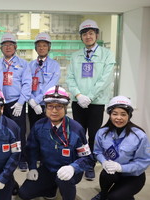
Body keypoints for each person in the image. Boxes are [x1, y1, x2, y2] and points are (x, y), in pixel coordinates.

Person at [18, 85, 94, 200]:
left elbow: (88, 159)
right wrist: (32, 167)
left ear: (65, 108)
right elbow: (31, 149)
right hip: (48, 168)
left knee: (64, 180)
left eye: (59, 106)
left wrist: (73, 168)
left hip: (70, 171)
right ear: (45, 108)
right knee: (24, 193)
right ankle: (51, 190)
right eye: (50, 106)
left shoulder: (76, 129)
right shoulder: (39, 126)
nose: (54, 111)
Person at [66, 19, 116, 180]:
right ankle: (78, 162)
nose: (88, 36)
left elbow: (106, 79)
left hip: (96, 102)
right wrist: (79, 95)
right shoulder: (75, 56)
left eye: (91, 33)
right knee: (78, 134)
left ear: (96, 35)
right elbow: (70, 78)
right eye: (85, 34)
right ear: (81, 37)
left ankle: (90, 164)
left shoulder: (107, 55)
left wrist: (91, 96)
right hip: (78, 101)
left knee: (94, 135)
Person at [92, 96, 150, 200]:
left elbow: (143, 162)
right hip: (112, 173)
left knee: (114, 197)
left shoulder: (140, 136)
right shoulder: (102, 133)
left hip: (133, 176)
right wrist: (104, 162)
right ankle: (103, 194)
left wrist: (121, 168)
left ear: (129, 116)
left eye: (123, 114)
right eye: (115, 114)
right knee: (105, 175)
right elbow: (97, 152)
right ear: (110, 115)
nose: (119, 118)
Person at [0, 32, 31, 171]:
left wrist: (20, 102)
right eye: (5, 45)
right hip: (0, 103)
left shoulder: (23, 64)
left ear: (15, 47)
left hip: (16, 102)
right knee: (3, 132)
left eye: (10, 45)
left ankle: (21, 159)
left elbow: (27, 84)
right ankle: (6, 157)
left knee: (19, 132)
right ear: (1, 47)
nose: (8, 47)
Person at [28, 32, 60, 129]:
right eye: (39, 46)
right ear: (35, 48)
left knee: (47, 130)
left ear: (49, 48)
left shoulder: (55, 65)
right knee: (33, 130)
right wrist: (31, 101)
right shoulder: (30, 65)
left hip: (48, 105)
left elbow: (51, 85)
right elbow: (26, 84)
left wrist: (37, 100)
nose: (41, 48)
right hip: (32, 105)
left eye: (44, 46)